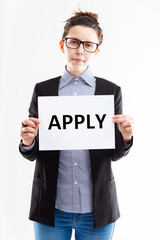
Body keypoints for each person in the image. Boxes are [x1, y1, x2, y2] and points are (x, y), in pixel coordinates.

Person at [19, 10, 134, 240]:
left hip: (97, 211)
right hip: (51, 208)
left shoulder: (110, 92)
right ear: (63, 45)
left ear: (96, 50)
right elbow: (32, 152)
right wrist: (28, 142)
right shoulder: (43, 90)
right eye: (74, 42)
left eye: (88, 44)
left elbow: (113, 154)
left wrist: (125, 138)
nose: (80, 50)